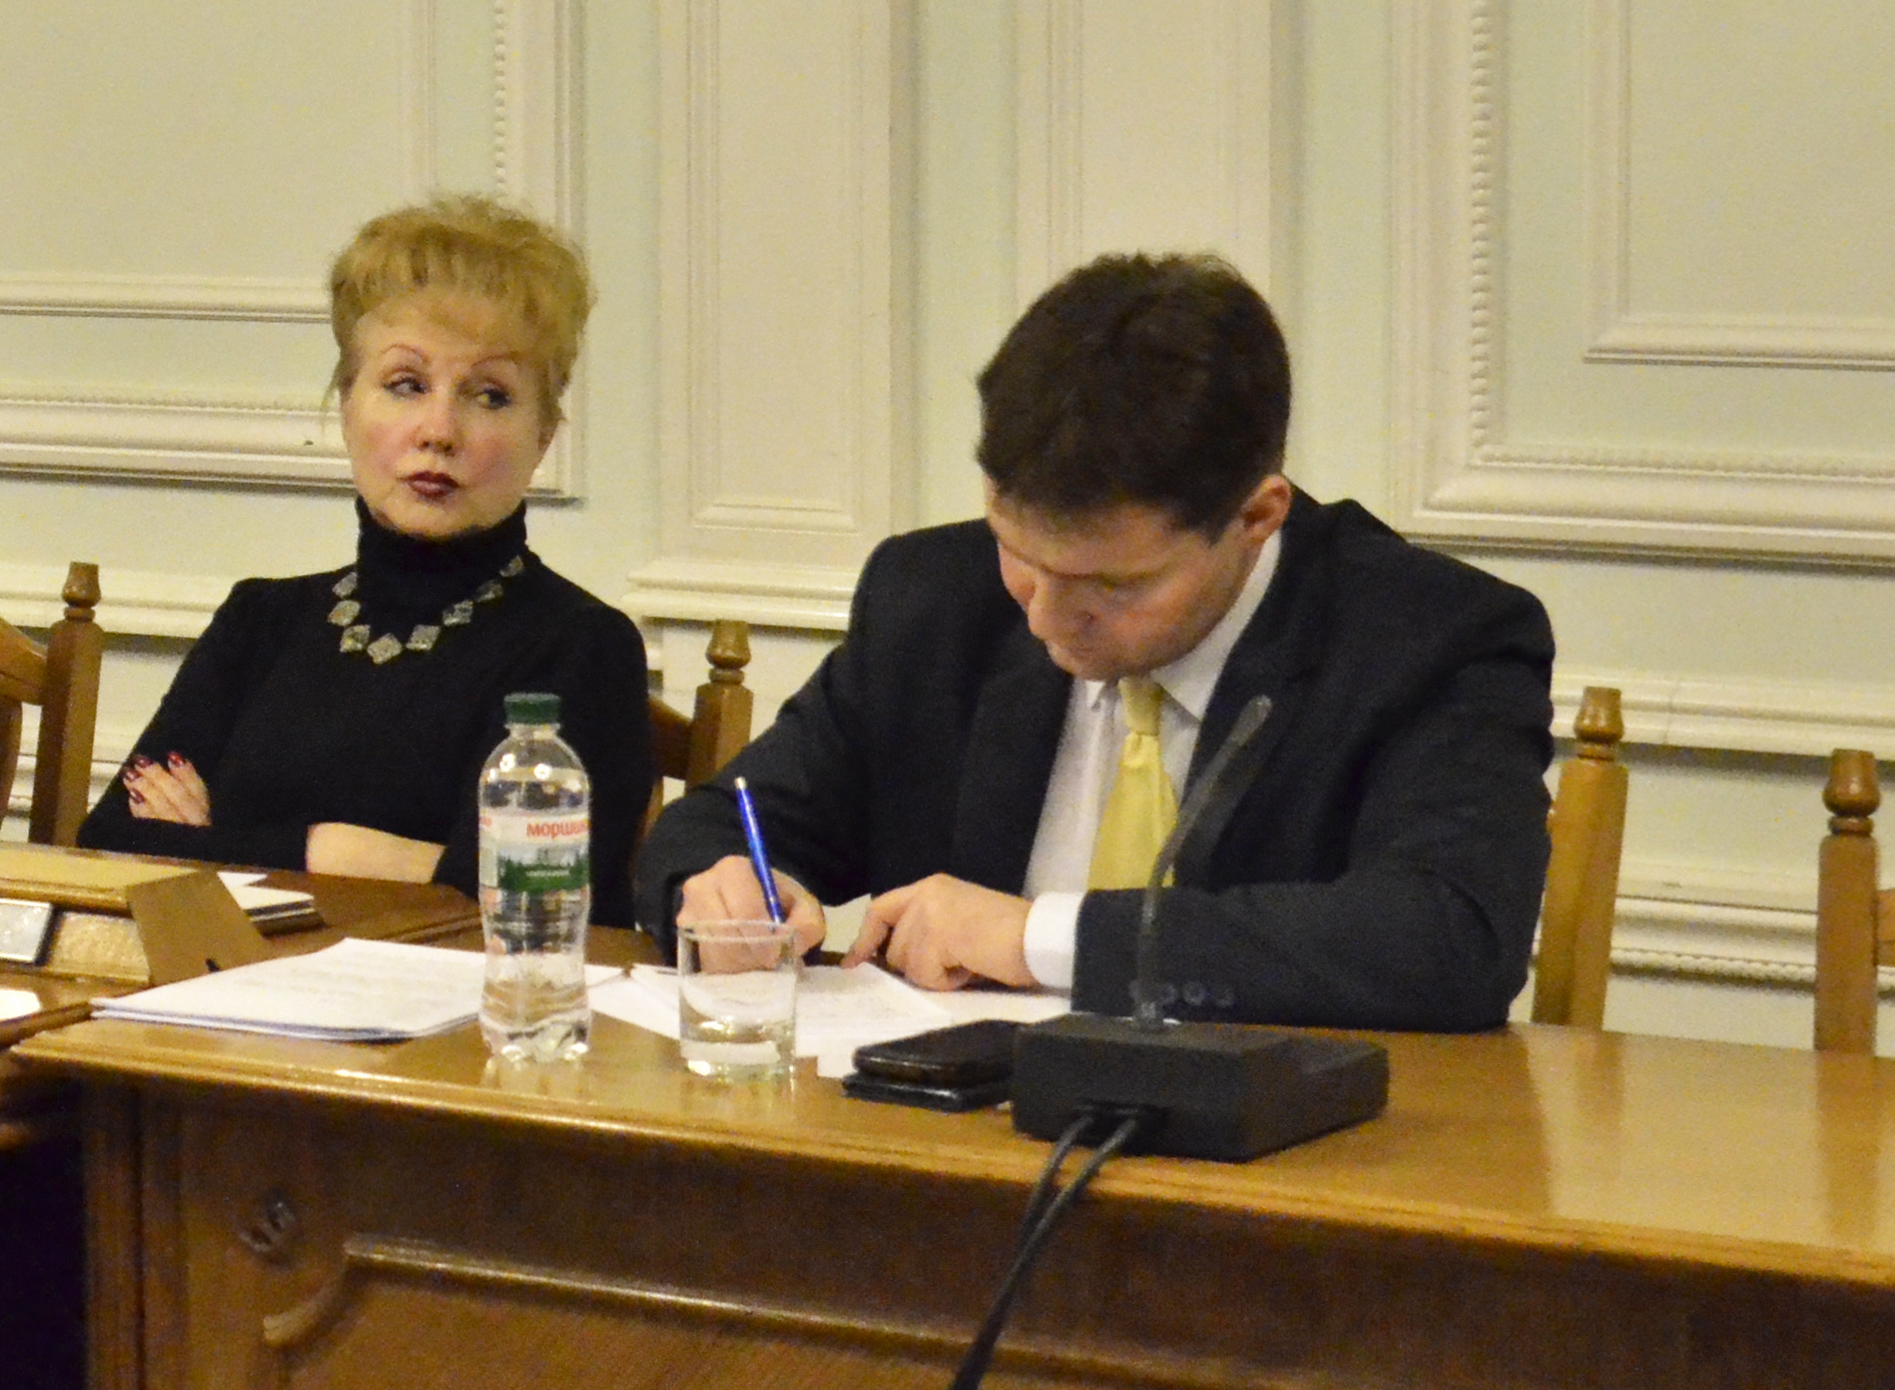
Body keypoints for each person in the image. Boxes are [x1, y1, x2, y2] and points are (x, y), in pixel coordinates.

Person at [640, 252, 1556, 1032]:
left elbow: (1447, 936)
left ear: (1256, 517)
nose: (1043, 615)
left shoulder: (1426, 640)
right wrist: (721, 889)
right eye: (1020, 554)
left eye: (1113, 585)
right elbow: (714, 827)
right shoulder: (937, 601)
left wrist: (1038, 937)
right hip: (955, 1150)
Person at [77, 196, 656, 918]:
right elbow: (109, 844)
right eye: (406, 384)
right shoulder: (260, 619)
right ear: (348, 404)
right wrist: (347, 852)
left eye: (490, 396)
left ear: (543, 436)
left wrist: (224, 843)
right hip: (228, 983)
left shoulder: (583, 647)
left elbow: (520, 900)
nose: (439, 430)